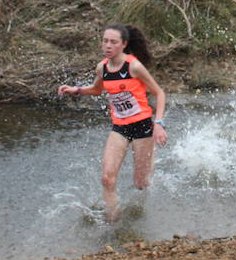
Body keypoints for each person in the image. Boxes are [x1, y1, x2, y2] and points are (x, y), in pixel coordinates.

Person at [57, 23, 167, 222]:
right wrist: (77, 90)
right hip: (120, 127)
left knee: (141, 184)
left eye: (113, 42)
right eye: (105, 41)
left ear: (123, 44)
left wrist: (158, 123)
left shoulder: (133, 66)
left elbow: (159, 93)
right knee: (107, 178)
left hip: (143, 126)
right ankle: (113, 222)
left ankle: (150, 167)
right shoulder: (102, 67)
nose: (108, 45)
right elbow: (97, 89)